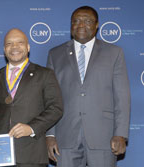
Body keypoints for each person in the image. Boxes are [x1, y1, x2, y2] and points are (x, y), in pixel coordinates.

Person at [46, 6, 131, 167]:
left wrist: (120, 134)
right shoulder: (55, 54)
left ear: (97, 25)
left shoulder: (114, 53)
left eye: (87, 21)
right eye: (76, 21)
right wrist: (50, 135)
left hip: (103, 137)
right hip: (65, 137)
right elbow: (51, 98)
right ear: (70, 25)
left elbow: (122, 96)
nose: (81, 25)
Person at [0, 28, 63, 167]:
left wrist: (31, 128)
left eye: (20, 42)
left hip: (31, 154)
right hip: (0, 154)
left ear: (28, 47)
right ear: (4, 49)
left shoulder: (45, 74)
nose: (14, 47)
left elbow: (55, 108)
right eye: (9, 43)